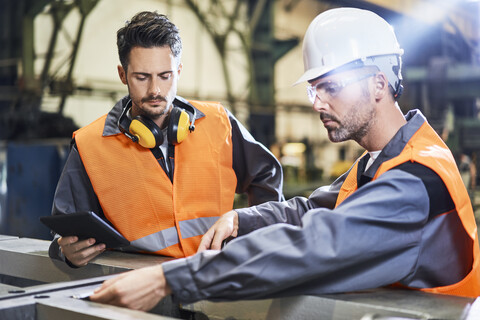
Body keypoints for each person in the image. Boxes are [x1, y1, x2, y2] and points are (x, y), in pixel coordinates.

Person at [89, 8, 480, 311]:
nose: (318, 104)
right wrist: (244, 218)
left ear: (379, 83)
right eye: (314, 90)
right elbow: (311, 208)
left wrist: (169, 280)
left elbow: (316, 244)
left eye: (330, 87)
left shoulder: (414, 177)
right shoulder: (379, 162)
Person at [48, 11, 283, 267]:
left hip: (216, 276)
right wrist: (64, 252)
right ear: (122, 75)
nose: (155, 90)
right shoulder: (90, 145)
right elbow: (64, 230)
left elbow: (266, 174)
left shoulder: (219, 122)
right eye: (141, 77)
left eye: (165, 76)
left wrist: (257, 233)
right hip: (139, 287)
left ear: (179, 71)